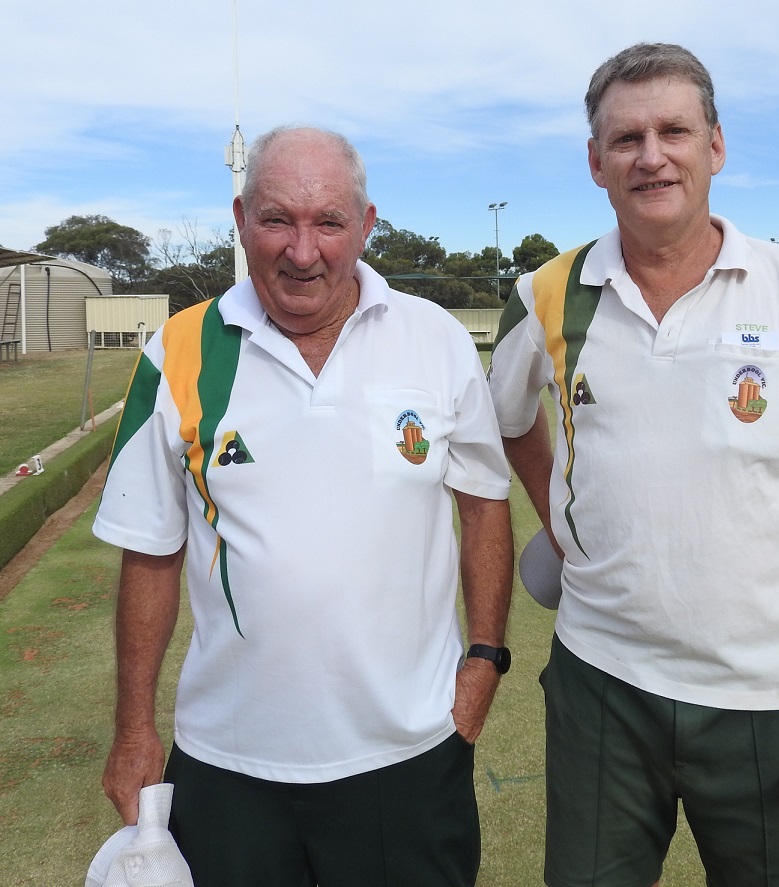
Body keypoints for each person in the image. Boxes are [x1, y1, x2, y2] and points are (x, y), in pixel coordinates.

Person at [488, 43, 779, 887]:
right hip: (601, 682)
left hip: (767, 697)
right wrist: (562, 522)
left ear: (716, 145)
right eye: (626, 137)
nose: (651, 155)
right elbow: (509, 421)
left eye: (674, 129)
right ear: (596, 161)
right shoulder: (548, 294)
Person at [93, 125, 514, 887]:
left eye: (328, 222)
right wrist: (132, 729)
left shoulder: (437, 339)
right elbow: (149, 550)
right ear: (241, 218)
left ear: (366, 225)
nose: (301, 249)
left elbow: (485, 506)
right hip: (228, 762)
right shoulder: (178, 352)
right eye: (278, 218)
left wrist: (483, 661)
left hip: (409, 752)